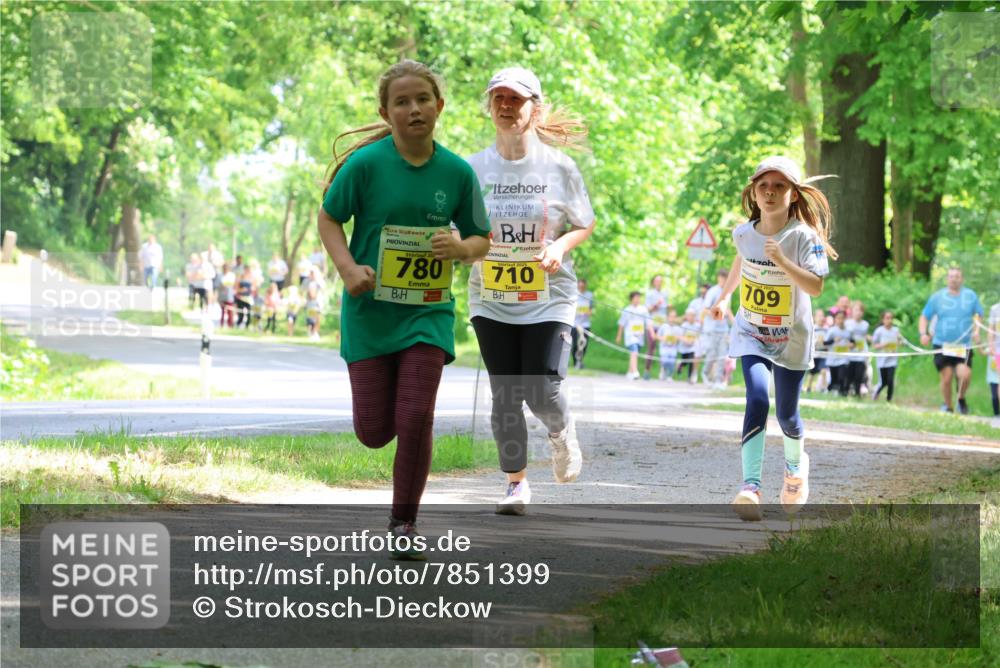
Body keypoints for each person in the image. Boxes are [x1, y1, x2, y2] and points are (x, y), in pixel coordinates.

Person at [317, 60, 490, 558]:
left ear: (439, 105)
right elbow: (329, 218)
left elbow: (481, 238)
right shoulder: (366, 165)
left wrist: (460, 248)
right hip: (370, 312)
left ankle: (403, 524)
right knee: (374, 432)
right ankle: (392, 420)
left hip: (427, 314)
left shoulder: (456, 172)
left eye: (422, 99)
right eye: (402, 102)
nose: (414, 109)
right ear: (385, 112)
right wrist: (348, 269)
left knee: (416, 415)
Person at [466, 66, 594, 515]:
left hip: (549, 294)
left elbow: (584, 223)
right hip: (491, 295)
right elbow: (459, 227)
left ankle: (561, 431)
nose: (506, 106)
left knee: (541, 387)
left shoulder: (560, 167)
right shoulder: (473, 168)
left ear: (534, 109)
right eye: (498, 98)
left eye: (516, 99)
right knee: (505, 394)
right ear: (490, 106)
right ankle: (516, 484)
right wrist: (463, 245)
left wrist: (559, 246)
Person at [709, 156, 836, 521]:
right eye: (763, 186)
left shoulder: (803, 237)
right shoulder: (743, 233)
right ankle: (750, 488)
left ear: (793, 194)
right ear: (753, 192)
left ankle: (795, 469)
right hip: (751, 332)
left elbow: (816, 286)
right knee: (757, 397)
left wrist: (781, 260)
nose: (770, 193)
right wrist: (724, 298)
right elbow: (742, 260)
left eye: (779, 186)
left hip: (791, 337)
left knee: (787, 415)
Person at [919, 267, 984, 414]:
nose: (954, 279)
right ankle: (948, 406)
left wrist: (976, 331)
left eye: (957, 276)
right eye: (951, 276)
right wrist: (923, 333)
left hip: (963, 345)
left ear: (962, 279)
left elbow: (979, 314)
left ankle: (961, 398)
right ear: (947, 279)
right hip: (942, 344)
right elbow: (924, 316)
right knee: (947, 377)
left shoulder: (970, 296)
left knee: (965, 375)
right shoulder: (937, 297)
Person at [701, 270, 731, 387]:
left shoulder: (728, 292)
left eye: (726, 278)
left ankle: (718, 380)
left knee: (722, 355)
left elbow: (728, 310)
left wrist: (734, 322)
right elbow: (705, 310)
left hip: (723, 329)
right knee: (712, 354)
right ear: (719, 278)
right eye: (723, 278)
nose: (724, 280)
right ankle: (705, 373)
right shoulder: (712, 291)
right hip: (712, 329)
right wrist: (717, 314)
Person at [617, 291, 651, 380]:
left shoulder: (643, 309)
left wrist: (652, 333)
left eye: (639, 298)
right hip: (630, 335)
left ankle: (630, 372)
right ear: (631, 299)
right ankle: (635, 371)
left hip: (640, 336)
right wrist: (619, 336)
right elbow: (621, 324)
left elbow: (648, 322)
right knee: (634, 351)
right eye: (636, 298)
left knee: (635, 353)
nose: (637, 300)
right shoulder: (627, 310)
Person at [871, 310, 900, 402]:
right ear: (883, 319)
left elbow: (900, 341)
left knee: (890, 381)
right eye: (887, 318)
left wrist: (898, 343)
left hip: (892, 360)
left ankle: (889, 399)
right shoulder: (879, 331)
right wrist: (883, 345)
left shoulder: (896, 330)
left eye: (891, 318)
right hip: (882, 361)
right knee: (883, 382)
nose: (889, 320)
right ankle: (875, 394)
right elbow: (874, 345)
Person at [644, 274, 669, 379]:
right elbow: (648, 310)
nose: (659, 283)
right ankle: (647, 371)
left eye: (660, 281)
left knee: (665, 347)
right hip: (652, 324)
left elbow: (665, 309)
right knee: (651, 348)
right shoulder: (649, 293)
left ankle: (663, 371)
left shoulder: (665, 293)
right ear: (653, 282)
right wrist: (656, 305)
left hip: (662, 324)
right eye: (657, 281)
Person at [844, 300, 870, 398]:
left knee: (859, 374)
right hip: (850, 353)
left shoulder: (865, 324)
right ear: (852, 311)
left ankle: (857, 393)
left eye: (860, 310)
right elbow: (844, 336)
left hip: (861, 352)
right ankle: (846, 392)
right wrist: (848, 343)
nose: (858, 313)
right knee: (849, 373)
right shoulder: (847, 323)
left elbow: (865, 336)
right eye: (856, 310)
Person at [824, 309, 852, 396]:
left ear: (845, 319)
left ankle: (842, 392)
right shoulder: (831, 331)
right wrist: (833, 340)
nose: (840, 320)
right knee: (834, 378)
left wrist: (852, 344)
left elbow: (852, 341)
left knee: (842, 376)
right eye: (838, 318)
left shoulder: (848, 331)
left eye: (842, 318)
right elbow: (825, 343)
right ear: (835, 319)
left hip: (844, 358)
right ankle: (830, 389)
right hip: (833, 359)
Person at [805, 308, 828, 393]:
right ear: (814, 318)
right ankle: (808, 387)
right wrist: (816, 341)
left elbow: (828, 341)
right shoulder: (812, 328)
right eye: (819, 316)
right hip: (814, 354)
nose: (821, 318)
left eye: (822, 316)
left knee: (823, 371)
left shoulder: (826, 329)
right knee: (812, 373)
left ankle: (824, 388)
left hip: (823, 354)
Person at [572, 278, 594, 370]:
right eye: (580, 286)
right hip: (574, 324)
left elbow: (591, 308)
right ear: (577, 285)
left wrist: (589, 312)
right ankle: (575, 362)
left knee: (584, 343)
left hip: (585, 324)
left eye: (583, 286)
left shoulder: (589, 295)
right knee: (575, 344)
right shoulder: (573, 293)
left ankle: (580, 361)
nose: (581, 287)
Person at [677, 308, 701, 383]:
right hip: (684, 346)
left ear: (694, 316)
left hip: (692, 347)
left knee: (691, 360)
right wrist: (686, 340)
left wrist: (693, 340)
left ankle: (689, 377)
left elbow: (698, 335)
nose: (690, 317)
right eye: (688, 316)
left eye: (692, 316)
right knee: (685, 361)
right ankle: (680, 365)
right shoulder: (684, 325)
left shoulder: (697, 326)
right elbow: (679, 336)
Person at [657, 308, 681, 381]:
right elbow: (657, 336)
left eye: (674, 317)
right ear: (668, 317)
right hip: (664, 347)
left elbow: (679, 337)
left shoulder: (677, 328)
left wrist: (676, 339)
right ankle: (663, 371)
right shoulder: (664, 326)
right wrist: (663, 339)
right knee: (664, 361)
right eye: (671, 316)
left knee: (671, 362)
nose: (672, 318)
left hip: (673, 348)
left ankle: (670, 375)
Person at [987, 300, 999, 418]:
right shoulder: (995, 309)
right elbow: (991, 331)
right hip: (997, 352)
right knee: (997, 381)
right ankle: (997, 412)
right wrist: (991, 346)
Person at [218, 263, 236, 328]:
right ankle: (222, 324)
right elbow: (219, 285)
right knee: (222, 311)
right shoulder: (220, 275)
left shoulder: (231, 275)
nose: (225, 269)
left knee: (230, 311)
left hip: (229, 296)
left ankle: (230, 324)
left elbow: (232, 284)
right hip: (222, 295)